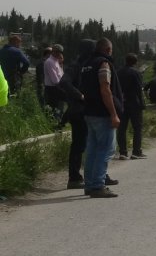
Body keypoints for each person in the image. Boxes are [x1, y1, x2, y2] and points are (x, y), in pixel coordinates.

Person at [79, 37, 122, 198]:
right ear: (108, 50)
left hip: (89, 112)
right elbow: (105, 88)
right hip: (102, 113)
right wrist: (113, 114)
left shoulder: (86, 64)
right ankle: (98, 185)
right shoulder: (103, 64)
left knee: (92, 150)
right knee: (105, 150)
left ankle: (89, 184)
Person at [59, 39, 95, 189]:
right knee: (79, 145)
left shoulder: (86, 64)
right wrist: (79, 95)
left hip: (82, 111)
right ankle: (74, 178)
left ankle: (86, 175)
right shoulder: (76, 65)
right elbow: (64, 82)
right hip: (78, 111)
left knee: (84, 144)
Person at [117, 53, 146, 160]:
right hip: (134, 103)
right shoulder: (136, 72)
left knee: (122, 128)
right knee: (137, 128)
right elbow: (139, 89)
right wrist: (142, 103)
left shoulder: (118, 72)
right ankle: (136, 151)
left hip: (122, 103)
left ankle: (123, 152)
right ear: (135, 62)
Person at [43, 44, 66, 122]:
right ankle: (53, 125)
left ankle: (58, 123)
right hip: (52, 89)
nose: (59, 54)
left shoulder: (56, 61)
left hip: (57, 88)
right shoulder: (50, 62)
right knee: (54, 109)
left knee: (59, 108)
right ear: (53, 51)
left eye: (60, 52)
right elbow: (55, 80)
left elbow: (61, 75)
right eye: (58, 52)